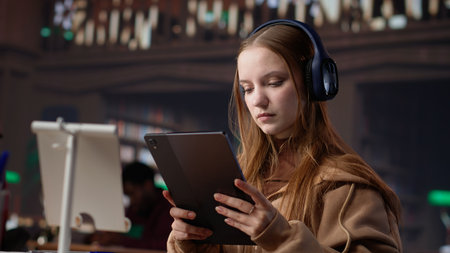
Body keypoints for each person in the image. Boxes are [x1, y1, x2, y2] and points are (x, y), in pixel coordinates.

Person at [163, 19, 402, 252]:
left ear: (313, 83)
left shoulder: (347, 186)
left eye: (274, 82)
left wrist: (282, 238)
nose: (257, 100)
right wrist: (194, 243)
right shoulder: (237, 178)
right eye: (247, 89)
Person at [91, 161, 172, 251]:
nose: (131, 201)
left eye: (132, 193)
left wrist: (120, 240)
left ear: (147, 185)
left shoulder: (168, 209)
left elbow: (163, 246)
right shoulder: (137, 208)